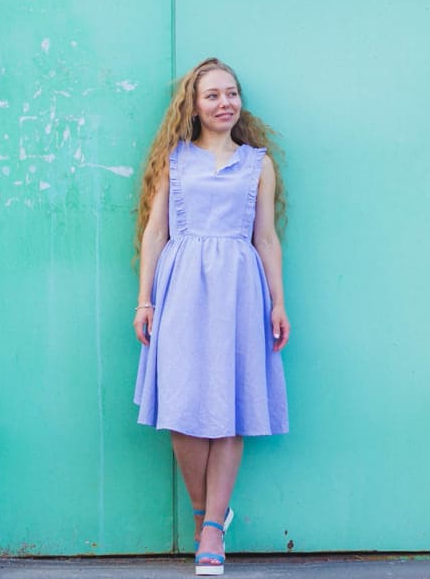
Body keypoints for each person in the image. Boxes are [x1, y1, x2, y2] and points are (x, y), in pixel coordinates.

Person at [132, 57, 290, 577]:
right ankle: (204, 513)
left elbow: (265, 237)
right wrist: (145, 300)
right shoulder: (175, 160)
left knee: (230, 405)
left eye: (231, 93)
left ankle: (214, 528)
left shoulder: (257, 164)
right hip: (181, 288)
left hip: (239, 291)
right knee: (183, 408)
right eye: (213, 95)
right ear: (194, 106)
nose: (225, 103)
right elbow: (156, 232)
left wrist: (278, 302)